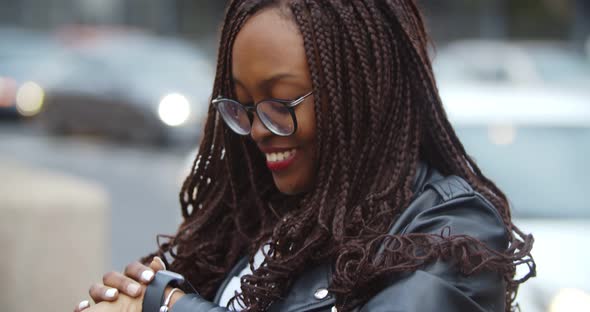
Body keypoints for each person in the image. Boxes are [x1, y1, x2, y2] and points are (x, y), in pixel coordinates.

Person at [74, 0, 535, 311]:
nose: (257, 130)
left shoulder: (451, 231)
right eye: (244, 106)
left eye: (281, 103)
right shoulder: (251, 223)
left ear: (360, 93)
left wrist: (170, 306)